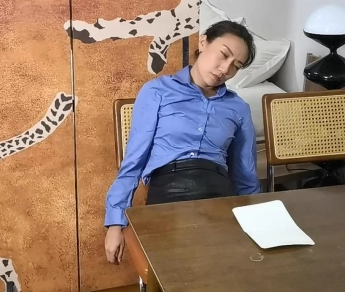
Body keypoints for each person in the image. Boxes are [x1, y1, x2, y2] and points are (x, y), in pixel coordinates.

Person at [104, 20, 261, 264]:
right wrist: (115, 222)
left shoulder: (238, 107)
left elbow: (245, 175)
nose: (225, 69)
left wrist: (257, 224)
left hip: (218, 195)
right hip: (169, 191)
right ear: (203, 42)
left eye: (236, 66)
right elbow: (133, 162)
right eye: (223, 55)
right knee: (181, 263)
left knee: (226, 264)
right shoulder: (157, 91)